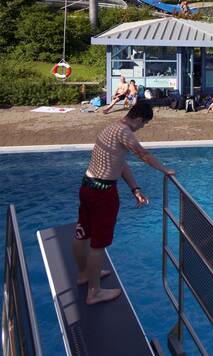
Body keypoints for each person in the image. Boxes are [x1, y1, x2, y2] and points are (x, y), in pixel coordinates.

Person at [72, 103, 175, 305]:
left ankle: (84, 274)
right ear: (138, 119)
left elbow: (120, 163)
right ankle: (94, 292)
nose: (142, 127)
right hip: (103, 193)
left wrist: (135, 189)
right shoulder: (125, 133)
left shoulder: (110, 128)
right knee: (98, 244)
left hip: (87, 186)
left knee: (82, 233)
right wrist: (165, 170)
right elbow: (144, 155)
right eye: (143, 124)